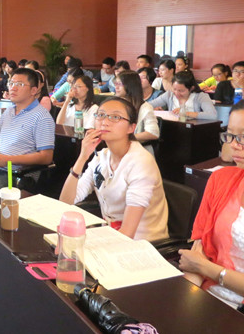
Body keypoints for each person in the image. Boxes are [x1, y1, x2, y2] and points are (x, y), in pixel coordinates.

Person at [59, 97, 169, 241]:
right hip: (112, 235)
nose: (104, 122)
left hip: (142, 243)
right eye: (101, 115)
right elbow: (66, 201)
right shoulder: (101, 157)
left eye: (115, 117)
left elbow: (128, 233)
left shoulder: (141, 162)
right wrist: (82, 157)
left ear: (131, 127)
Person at [178, 100, 244, 309]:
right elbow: (199, 252)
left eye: (243, 137)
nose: (234, 144)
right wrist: (185, 303)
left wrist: (206, 268)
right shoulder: (221, 179)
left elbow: (199, 264)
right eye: (231, 135)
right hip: (208, 295)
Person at [0, 68, 55, 193]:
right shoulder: (8, 111)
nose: (13, 88)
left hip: (17, 175)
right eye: (11, 83)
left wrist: (7, 160)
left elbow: (46, 157)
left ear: (33, 90)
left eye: (20, 84)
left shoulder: (42, 117)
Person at [115, 70, 160, 155]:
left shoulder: (145, 107)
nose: (116, 87)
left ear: (130, 86)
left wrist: (126, 138)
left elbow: (153, 133)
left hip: (140, 152)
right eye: (116, 84)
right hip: (120, 148)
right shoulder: (116, 104)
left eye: (119, 84)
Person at [149, 71, 217, 119]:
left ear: (191, 88)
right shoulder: (169, 95)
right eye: (174, 89)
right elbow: (148, 105)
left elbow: (212, 115)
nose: (176, 93)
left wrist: (185, 113)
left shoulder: (200, 96)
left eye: (181, 91)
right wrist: (153, 109)